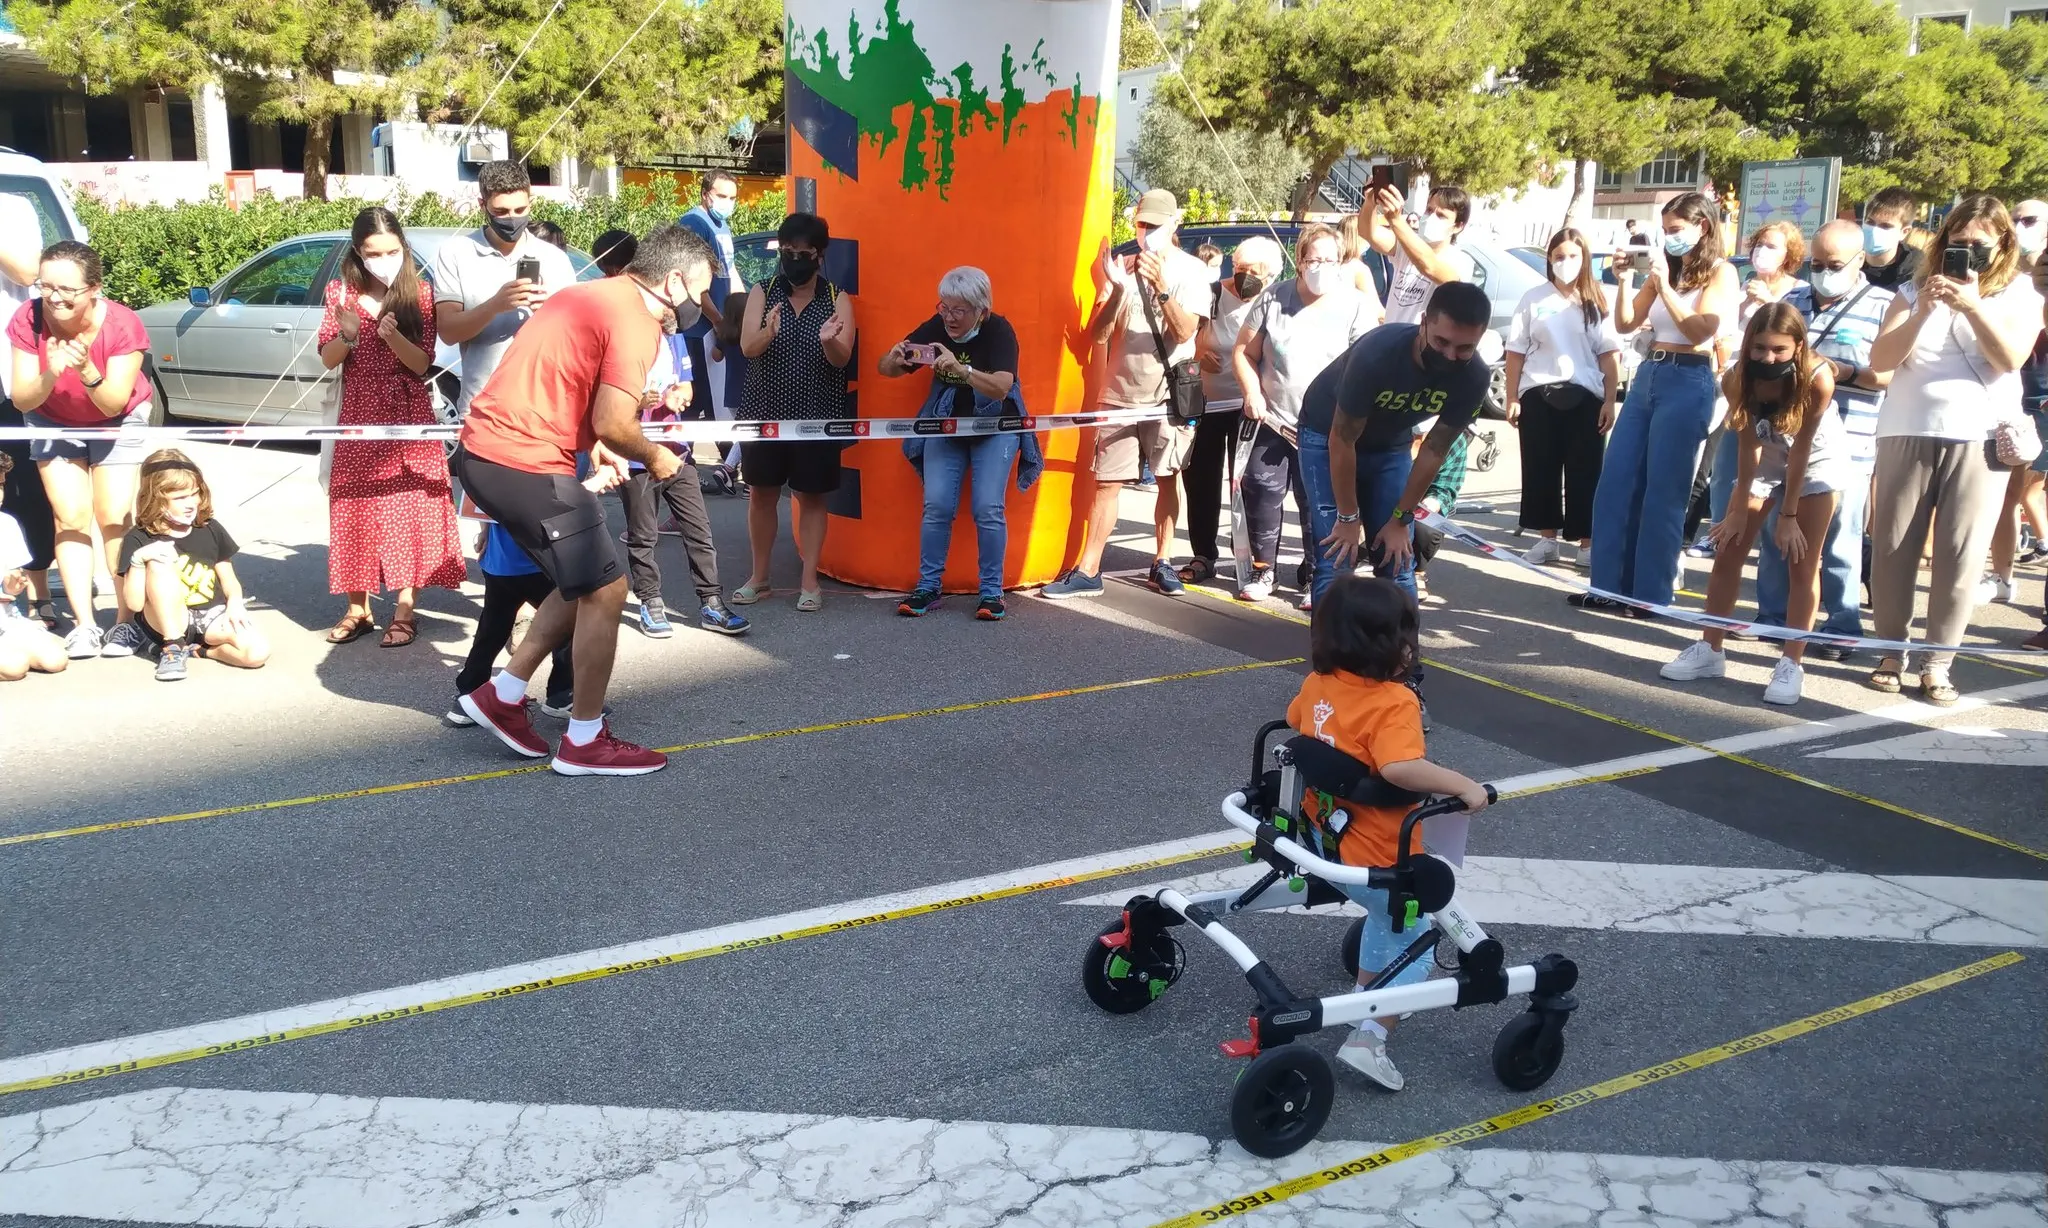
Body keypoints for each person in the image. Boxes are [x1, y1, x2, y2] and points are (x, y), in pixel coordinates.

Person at [449, 224, 716, 776]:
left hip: (488, 453)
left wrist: (595, 447)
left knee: (586, 581)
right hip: (521, 459)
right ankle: (584, 741)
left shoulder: (590, 293)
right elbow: (616, 421)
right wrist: (657, 455)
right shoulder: (638, 321)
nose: (701, 306)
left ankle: (502, 692)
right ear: (672, 282)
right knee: (608, 588)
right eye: (700, 291)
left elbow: (560, 384)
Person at [1287, 574, 1489, 1091]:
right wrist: (1463, 785)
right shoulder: (1393, 702)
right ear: (1395, 645)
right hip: (1374, 857)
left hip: (1317, 835)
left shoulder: (1317, 684)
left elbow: (1295, 721)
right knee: (1415, 935)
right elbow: (1400, 768)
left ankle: (1368, 980)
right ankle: (1369, 1034)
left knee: (1386, 921)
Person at [1866, 193, 2045, 706]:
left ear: (2002, 245)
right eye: (1957, 242)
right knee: (1894, 547)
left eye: (1978, 244)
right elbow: (1882, 360)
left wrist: (1971, 306)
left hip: (1980, 436)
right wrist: (1923, 310)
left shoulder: (2020, 296)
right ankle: (1889, 653)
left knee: (1961, 555)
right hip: (1906, 426)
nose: (1966, 251)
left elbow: (2010, 358)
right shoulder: (1911, 290)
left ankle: (1937, 662)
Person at [1301, 281, 1493, 725]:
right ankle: (1329, 683)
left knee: (1398, 559)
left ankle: (1405, 680)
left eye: (1464, 348)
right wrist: (1349, 518)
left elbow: (1433, 450)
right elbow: (1342, 438)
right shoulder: (1378, 354)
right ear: (1423, 324)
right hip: (1325, 433)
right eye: (1441, 341)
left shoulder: (1475, 375)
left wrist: (1400, 520)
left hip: (1390, 446)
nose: (1449, 355)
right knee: (1337, 556)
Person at [1661, 307, 1844, 705]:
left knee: (1801, 560)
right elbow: (1749, 445)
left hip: (1813, 462)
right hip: (1765, 456)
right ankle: (1710, 649)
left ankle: (1791, 664)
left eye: (1779, 349)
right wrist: (1740, 508)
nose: (1768, 358)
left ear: (1798, 347)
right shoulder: (1735, 377)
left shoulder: (1818, 380)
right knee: (1728, 547)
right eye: (1759, 348)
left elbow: (1802, 452)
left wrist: (1788, 516)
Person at [1041, 189, 1211, 599]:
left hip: (1169, 396)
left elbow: (1187, 331)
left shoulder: (1192, 271)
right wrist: (1117, 290)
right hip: (1118, 394)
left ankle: (1163, 561)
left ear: (1174, 225)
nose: (1146, 232)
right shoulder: (1123, 267)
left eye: (1154, 225)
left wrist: (1162, 286)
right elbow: (1097, 337)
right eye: (1141, 224)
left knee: (1168, 478)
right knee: (1108, 482)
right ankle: (1089, 568)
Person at [1580, 191, 1739, 616]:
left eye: (1675, 230)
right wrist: (1629, 282)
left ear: (1702, 227)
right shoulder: (1666, 269)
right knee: (1616, 481)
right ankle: (1607, 586)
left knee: (1664, 491)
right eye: (1664, 231)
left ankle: (1651, 594)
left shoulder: (1721, 274)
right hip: (1650, 371)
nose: (1668, 239)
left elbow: (1701, 329)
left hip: (1690, 376)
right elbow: (1627, 322)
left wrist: (1665, 286)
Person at [315, 208, 466, 648]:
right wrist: (347, 336)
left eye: (392, 251)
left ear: (404, 247)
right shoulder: (340, 291)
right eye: (372, 252)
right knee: (354, 508)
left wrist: (391, 336)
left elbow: (422, 363)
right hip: (359, 409)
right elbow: (327, 360)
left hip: (406, 406)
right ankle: (357, 608)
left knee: (409, 506)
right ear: (358, 253)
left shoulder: (420, 292)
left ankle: (405, 608)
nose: (383, 259)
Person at [1753, 220, 1896, 660]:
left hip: (1850, 441)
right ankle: (1773, 618)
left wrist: (1843, 372)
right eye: (1816, 263)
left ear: (1859, 261)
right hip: (1786, 441)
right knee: (1778, 533)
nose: (1824, 272)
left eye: (1834, 264)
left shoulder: (1882, 305)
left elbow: (1889, 373)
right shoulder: (1793, 300)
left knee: (1838, 540)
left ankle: (1841, 625)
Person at [6, 240, 153, 659]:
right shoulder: (27, 318)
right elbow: (22, 399)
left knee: (112, 515)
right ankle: (85, 624)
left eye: (67, 290)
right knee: (69, 516)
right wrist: (52, 372)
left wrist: (87, 369)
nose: (54, 298)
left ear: (94, 289)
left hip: (117, 415)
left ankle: (127, 622)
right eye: (45, 286)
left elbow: (111, 403)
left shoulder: (123, 325)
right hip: (51, 415)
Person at [879, 266, 1041, 620]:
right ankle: (927, 587)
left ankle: (992, 593)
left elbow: (1001, 386)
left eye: (958, 310)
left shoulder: (999, 330)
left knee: (988, 508)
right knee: (936, 505)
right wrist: (892, 360)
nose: (949, 317)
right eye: (944, 307)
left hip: (995, 426)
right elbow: (887, 370)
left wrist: (962, 370)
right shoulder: (936, 326)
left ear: (981, 310)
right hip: (947, 426)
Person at [1233, 224, 1379, 604]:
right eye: (1313, 259)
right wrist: (1252, 392)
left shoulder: (1355, 305)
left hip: (1327, 427)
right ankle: (1263, 572)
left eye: (1329, 260)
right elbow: (1244, 353)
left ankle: (1319, 576)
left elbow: (1364, 367)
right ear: (1299, 262)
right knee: (1261, 491)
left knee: (1318, 501)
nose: (1320, 267)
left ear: (1341, 262)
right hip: (1271, 418)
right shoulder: (1273, 297)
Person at [734, 212, 857, 612]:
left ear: (819, 255)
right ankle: (760, 577)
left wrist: (829, 341)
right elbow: (747, 347)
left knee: (812, 497)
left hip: (817, 414)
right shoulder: (762, 290)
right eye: (787, 252)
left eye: (803, 253)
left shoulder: (837, 297)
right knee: (761, 494)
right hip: (765, 410)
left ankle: (809, 580)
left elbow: (842, 360)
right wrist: (767, 332)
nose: (794, 260)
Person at [618, 281, 750, 639]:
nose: (674, 320)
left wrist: (677, 395)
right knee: (643, 535)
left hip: (677, 450)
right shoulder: (624, 339)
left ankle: (712, 602)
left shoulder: (675, 337)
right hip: (635, 453)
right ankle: (650, 601)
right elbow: (611, 400)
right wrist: (640, 401)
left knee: (698, 529)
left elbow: (687, 385)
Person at [1687, 221, 1809, 557]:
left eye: (1772, 246)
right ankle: (1720, 532)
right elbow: (1727, 330)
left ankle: (1773, 535)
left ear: (1790, 254)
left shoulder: (1799, 291)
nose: (1761, 252)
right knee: (1727, 464)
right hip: (1739, 385)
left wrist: (1771, 302)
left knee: (1776, 474)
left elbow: (1797, 336)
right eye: (1759, 244)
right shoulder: (1743, 286)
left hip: (1783, 397)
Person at [1504, 228, 1622, 569]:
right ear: (1549, 259)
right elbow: (1515, 351)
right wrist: (1513, 396)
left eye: (1572, 256)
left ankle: (1586, 543)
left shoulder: (1597, 299)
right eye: (1558, 256)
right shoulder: (1533, 298)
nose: (1565, 263)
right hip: (1538, 392)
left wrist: (1609, 399)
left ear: (1584, 259)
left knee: (1585, 470)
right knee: (1541, 467)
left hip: (1585, 393)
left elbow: (1608, 353)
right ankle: (1546, 539)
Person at [429, 160, 579, 416]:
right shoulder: (456, 252)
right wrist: (495, 306)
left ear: (531, 203)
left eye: (520, 209)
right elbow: (448, 331)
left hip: (543, 411)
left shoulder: (554, 258)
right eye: (501, 211)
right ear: (482, 206)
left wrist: (549, 312)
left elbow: (577, 338)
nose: (512, 218)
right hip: (482, 412)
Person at [1179, 235, 1283, 587]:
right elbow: (1181, 335)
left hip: (1250, 406)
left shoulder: (1274, 300)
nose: (1244, 278)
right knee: (1200, 481)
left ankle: (1259, 562)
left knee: (1251, 485)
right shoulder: (1211, 294)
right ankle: (1203, 554)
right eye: (1239, 269)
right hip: (1208, 403)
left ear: (1271, 275)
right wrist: (1196, 352)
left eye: (1254, 272)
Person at [114, 449, 269, 681]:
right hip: (168, 619)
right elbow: (135, 604)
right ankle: (172, 647)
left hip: (211, 615)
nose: (190, 503)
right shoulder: (138, 537)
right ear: (155, 499)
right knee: (159, 560)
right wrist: (138, 560)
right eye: (179, 498)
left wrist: (235, 603)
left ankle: (200, 651)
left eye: (194, 494)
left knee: (256, 654)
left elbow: (229, 581)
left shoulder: (209, 528)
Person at [445, 518, 585, 727]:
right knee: (565, 624)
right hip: (538, 561)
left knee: (492, 628)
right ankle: (562, 693)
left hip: (499, 561)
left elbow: (478, 499)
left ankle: (469, 693)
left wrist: (484, 530)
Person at [1977, 198, 2048, 607]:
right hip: (2006, 392)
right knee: (2008, 493)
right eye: (2016, 218)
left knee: (2027, 491)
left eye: (2031, 219)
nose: (2022, 225)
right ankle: (2002, 576)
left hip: (2040, 395)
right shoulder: (2002, 276)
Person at [0, 192, 55, 632]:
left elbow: (26, 271)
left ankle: (37, 586)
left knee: (23, 484)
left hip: (9, 370)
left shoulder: (12, 205)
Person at [677, 171, 750, 473]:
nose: (727, 203)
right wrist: (718, 320)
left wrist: (744, 313)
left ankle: (728, 468)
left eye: (732, 198)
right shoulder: (694, 224)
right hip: (701, 329)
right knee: (697, 404)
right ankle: (684, 470)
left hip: (720, 328)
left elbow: (730, 274)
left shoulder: (722, 225)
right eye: (722, 196)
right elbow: (694, 282)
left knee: (721, 402)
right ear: (705, 194)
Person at [1361, 183, 1476, 327]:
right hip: (1391, 337)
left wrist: (1395, 220)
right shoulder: (1405, 246)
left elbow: (1429, 267)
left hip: (1422, 344)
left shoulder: (1461, 261)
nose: (1431, 217)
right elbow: (1369, 233)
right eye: (1429, 210)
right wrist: (1370, 201)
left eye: (1441, 215)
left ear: (1458, 226)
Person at [0, 452, 66, 681]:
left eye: (0, 485)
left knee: (55, 661)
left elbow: (10, 589)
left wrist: (13, 586)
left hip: (6, 621)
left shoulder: (7, 524)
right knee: (15, 667)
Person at [1860, 187, 1922, 292]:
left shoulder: (1917, 271)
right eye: (1870, 222)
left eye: (1885, 226)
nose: (1875, 230)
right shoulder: (1845, 259)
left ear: (1904, 232)